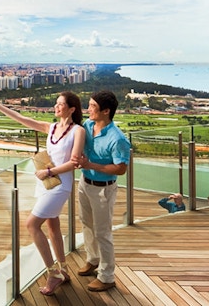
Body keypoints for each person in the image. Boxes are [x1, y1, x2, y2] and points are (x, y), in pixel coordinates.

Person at [0, 90, 85, 295]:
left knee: (31, 224)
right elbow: (22, 119)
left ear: (72, 109)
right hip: (46, 183)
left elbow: (74, 162)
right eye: (56, 103)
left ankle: (52, 273)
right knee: (52, 227)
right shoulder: (52, 127)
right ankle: (63, 269)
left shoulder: (78, 131)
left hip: (60, 185)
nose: (56, 107)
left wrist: (48, 171)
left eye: (60, 104)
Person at [72, 90, 131, 293]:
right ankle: (93, 259)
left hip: (103, 190)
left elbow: (121, 169)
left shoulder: (118, 139)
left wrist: (91, 164)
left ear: (106, 111)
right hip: (84, 183)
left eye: (93, 107)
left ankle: (107, 276)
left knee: (103, 232)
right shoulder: (88, 126)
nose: (88, 109)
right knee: (86, 224)